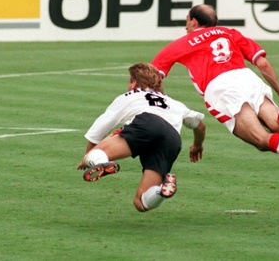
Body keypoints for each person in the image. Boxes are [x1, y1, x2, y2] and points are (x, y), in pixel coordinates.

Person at [151, 4, 279, 185]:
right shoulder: (230, 33)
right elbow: (262, 63)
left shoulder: (182, 43)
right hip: (247, 78)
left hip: (221, 88)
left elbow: (153, 76)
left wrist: (158, 107)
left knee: (261, 140)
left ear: (193, 21)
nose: (186, 25)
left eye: (186, 20)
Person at [78, 63, 206, 212]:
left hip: (148, 123)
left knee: (94, 155)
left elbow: (99, 129)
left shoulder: (129, 96)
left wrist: (88, 156)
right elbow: (200, 127)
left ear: (133, 83)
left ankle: (101, 162)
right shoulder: (174, 103)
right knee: (141, 202)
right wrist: (197, 145)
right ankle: (162, 190)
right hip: (172, 139)